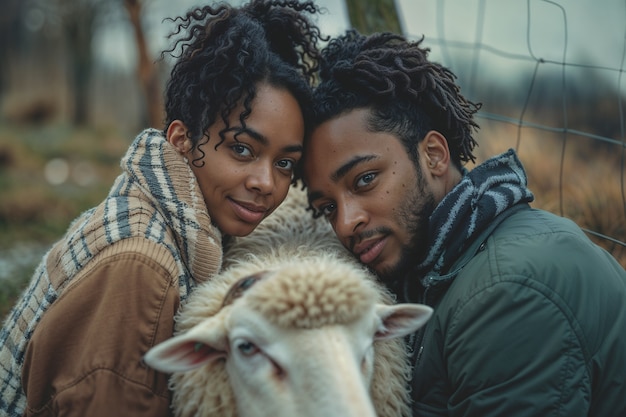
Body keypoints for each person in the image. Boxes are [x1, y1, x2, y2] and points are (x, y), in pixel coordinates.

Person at [0, 1, 323, 415]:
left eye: (284, 163)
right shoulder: (142, 267)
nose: (266, 183)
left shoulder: (175, 223)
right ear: (182, 139)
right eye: (241, 149)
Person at [302, 29, 626, 416]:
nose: (346, 223)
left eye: (365, 179)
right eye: (327, 208)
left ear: (434, 156)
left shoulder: (507, 293)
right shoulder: (435, 266)